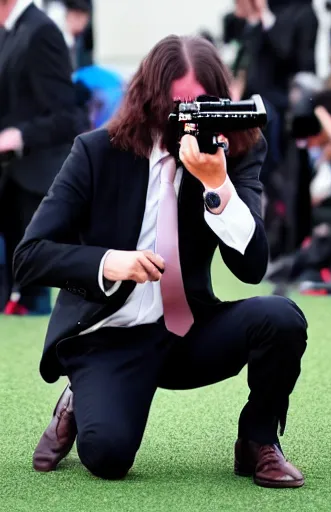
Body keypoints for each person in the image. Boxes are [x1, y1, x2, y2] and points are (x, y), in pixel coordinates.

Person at [13, 35, 308, 488]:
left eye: (201, 105)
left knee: (281, 317)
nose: (189, 121)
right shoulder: (96, 151)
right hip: (110, 337)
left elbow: (252, 268)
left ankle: (258, 441)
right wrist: (112, 263)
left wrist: (217, 186)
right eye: (178, 108)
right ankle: (78, 396)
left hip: (186, 330)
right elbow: (29, 257)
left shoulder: (236, 150)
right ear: (150, 99)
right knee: (108, 456)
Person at [0, 0, 90, 315]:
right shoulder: (9, 31)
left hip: (34, 178)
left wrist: (18, 135)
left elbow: (67, 116)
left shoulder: (41, 32)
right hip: (10, 178)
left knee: (30, 295)